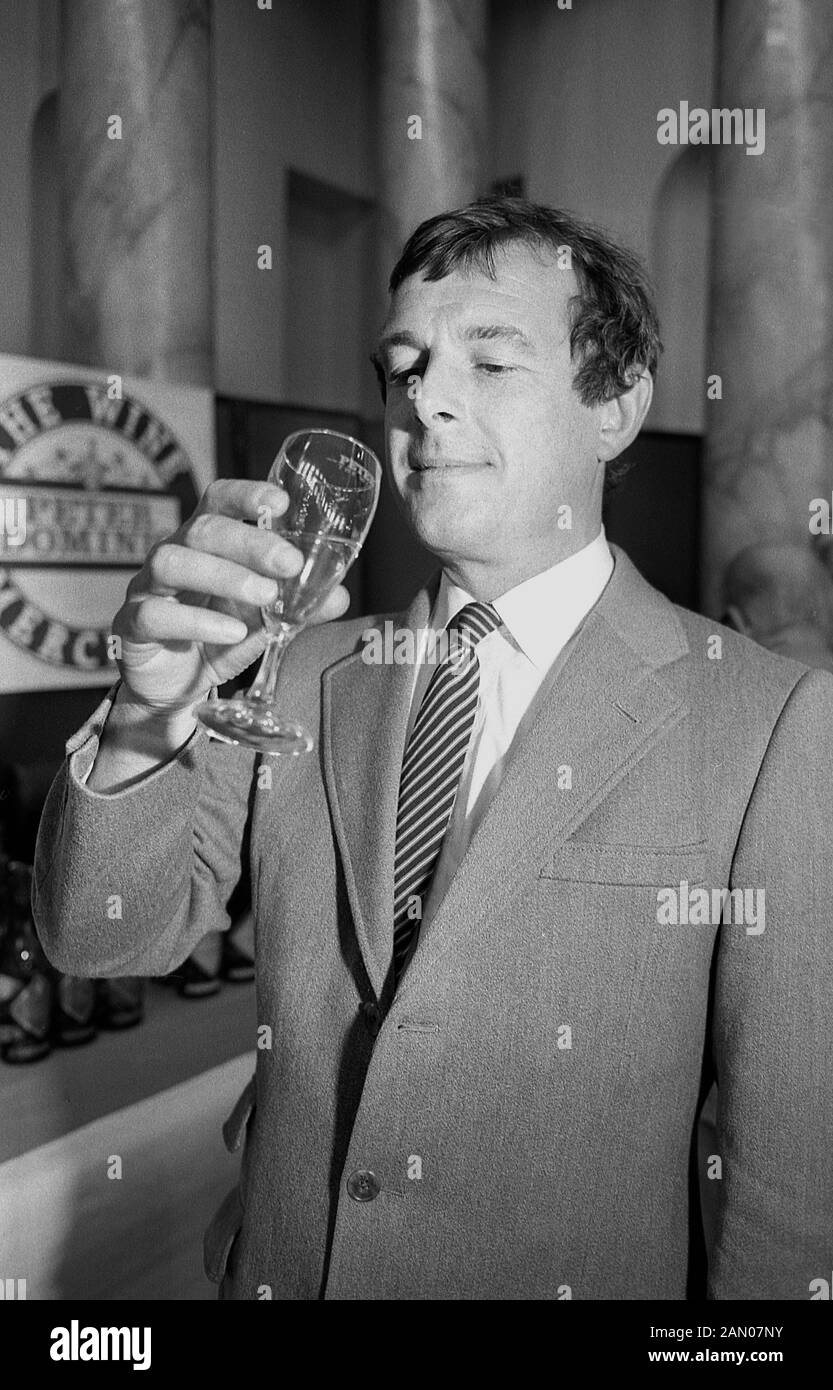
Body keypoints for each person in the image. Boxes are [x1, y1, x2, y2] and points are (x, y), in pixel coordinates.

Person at [34, 197, 833, 1300]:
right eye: (401, 365)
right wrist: (146, 710)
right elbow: (97, 937)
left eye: (489, 361)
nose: (425, 398)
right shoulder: (296, 667)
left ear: (615, 404)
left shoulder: (766, 720)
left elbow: (789, 1182)